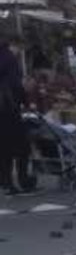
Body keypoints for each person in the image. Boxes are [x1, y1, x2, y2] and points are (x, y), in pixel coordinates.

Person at [0, 36, 34, 196]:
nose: (20, 52)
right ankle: (24, 181)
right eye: (20, 49)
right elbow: (15, 84)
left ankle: (6, 183)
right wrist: (27, 102)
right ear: (15, 45)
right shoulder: (9, 59)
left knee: (3, 149)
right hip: (8, 109)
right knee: (23, 147)